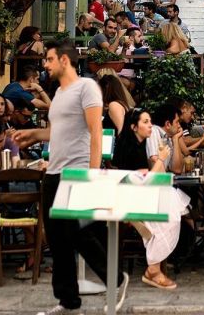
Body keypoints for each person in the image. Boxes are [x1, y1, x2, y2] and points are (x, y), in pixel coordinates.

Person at [13, 39, 127, 314]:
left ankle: (116, 277)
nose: (45, 64)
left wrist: (92, 174)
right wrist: (34, 134)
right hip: (53, 173)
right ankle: (67, 300)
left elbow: (95, 132)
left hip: (76, 173)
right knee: (57, 239)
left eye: (49, 59)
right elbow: (58, 132)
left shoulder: (86, 87)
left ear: (65, 60)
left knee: (78, 232)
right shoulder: (61, 93)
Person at [112, 108, 189, 290]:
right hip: (128, 200)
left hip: (139, 196)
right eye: (145, 122)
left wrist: (157, 163)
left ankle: (154, 268)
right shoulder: (128, 148)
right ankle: (153, 269)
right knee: (169, 216)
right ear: (134, 127)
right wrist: (161, 160)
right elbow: (145, 182)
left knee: (172, 211)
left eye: (150, 121)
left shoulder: (141, 145)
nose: (150, 126)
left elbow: (153, 177)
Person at [147, 104, 184, 174]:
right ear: (168, 124)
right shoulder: (153, 132)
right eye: (177, 122)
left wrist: (176, 139)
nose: (179, 126)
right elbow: (155, 164)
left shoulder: (168, 137)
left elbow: (177, 169)